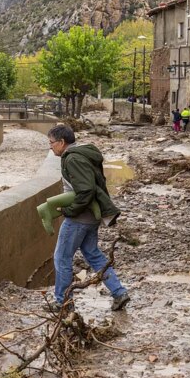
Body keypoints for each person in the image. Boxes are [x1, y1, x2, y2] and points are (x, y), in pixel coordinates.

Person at [47, 124, 130, 312]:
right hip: (92, 216)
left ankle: (63, 303)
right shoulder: (83, 154)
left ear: (61, 142)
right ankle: (119, 292)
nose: (50, 146)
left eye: (51, 143)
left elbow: (85, 189)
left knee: (61, 258)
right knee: (93, 254)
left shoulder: (73, 159)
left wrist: (70, 210)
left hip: (79, 218)